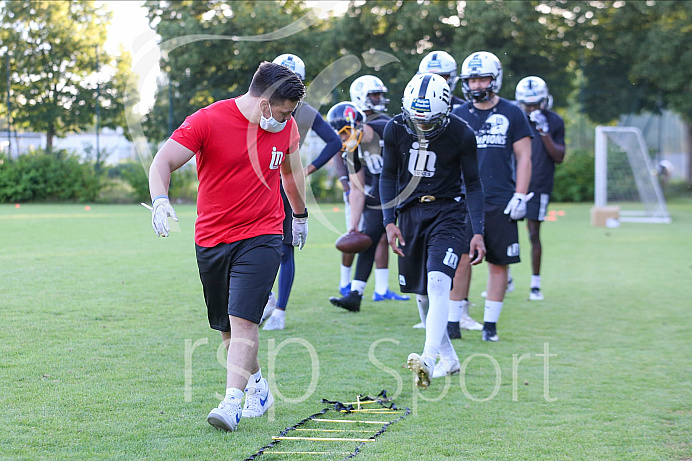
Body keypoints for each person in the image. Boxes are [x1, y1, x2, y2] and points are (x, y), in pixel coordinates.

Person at [148, 62, 307, 432]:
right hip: (212, 238)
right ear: (265, 101)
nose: (287, 119)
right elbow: (164, 160)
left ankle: (231, 403)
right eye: (283, 111)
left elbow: (291, 173)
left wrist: (299, 216)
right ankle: (257, 387)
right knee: (226, 330)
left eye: (292, 113)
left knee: (244, 322)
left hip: (264, 235)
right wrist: (159, 199)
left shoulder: (288, 126)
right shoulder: (208, 120)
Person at [380, 73, 486, 388]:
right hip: (411, 213)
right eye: (417, 120)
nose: (422, 126)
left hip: (449, 211)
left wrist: (477, 229)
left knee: (439, 283)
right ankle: (449, 359)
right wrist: (389, 219)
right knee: (423, 295)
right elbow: (387, 175)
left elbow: (475, 183)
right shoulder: (395, 127)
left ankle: (427, 357)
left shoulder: (461, 133)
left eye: (429, 122)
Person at [447, 51, 532, 343]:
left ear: (495, 78)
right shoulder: (458, 114)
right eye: (471, 79)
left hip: (500, 197)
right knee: (460, 261)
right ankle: (453, 322)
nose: (476, 84)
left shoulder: (512, 112)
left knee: (498, 263)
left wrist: (520, 195)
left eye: (482, 77)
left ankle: (490, 326)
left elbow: (524, 157)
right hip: (463, 199)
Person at [260, 53, 342, 330]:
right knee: (261, 245)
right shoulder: (260, 107)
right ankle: (267, 300)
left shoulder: (303, 112)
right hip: (261, 184)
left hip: (283, 183)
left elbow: (334, 142)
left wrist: (308, 169)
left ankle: (280, 310)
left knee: (285, 249)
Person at [326, 102, 409, 312]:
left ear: (358, 124)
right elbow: (357, 188)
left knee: (413, 240)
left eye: (345, 132)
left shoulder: (388, 129)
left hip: (409, 191)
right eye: (340, 135)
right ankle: (355, 294)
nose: (344, 139)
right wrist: (353, 226)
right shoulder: (352, 150)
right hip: (381, 195)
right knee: (367, 238)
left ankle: (425, 292)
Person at [515, 76, 565, 301]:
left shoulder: (554, 121)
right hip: (513, 184)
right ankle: (505, 279)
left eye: (536, 104)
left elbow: (559, 156)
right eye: (528, 104)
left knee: (534, 234)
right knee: (501, 233)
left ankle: (535, 283)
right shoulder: (514, 118)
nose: (533, 108)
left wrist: (544, 131)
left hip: (539, 184)